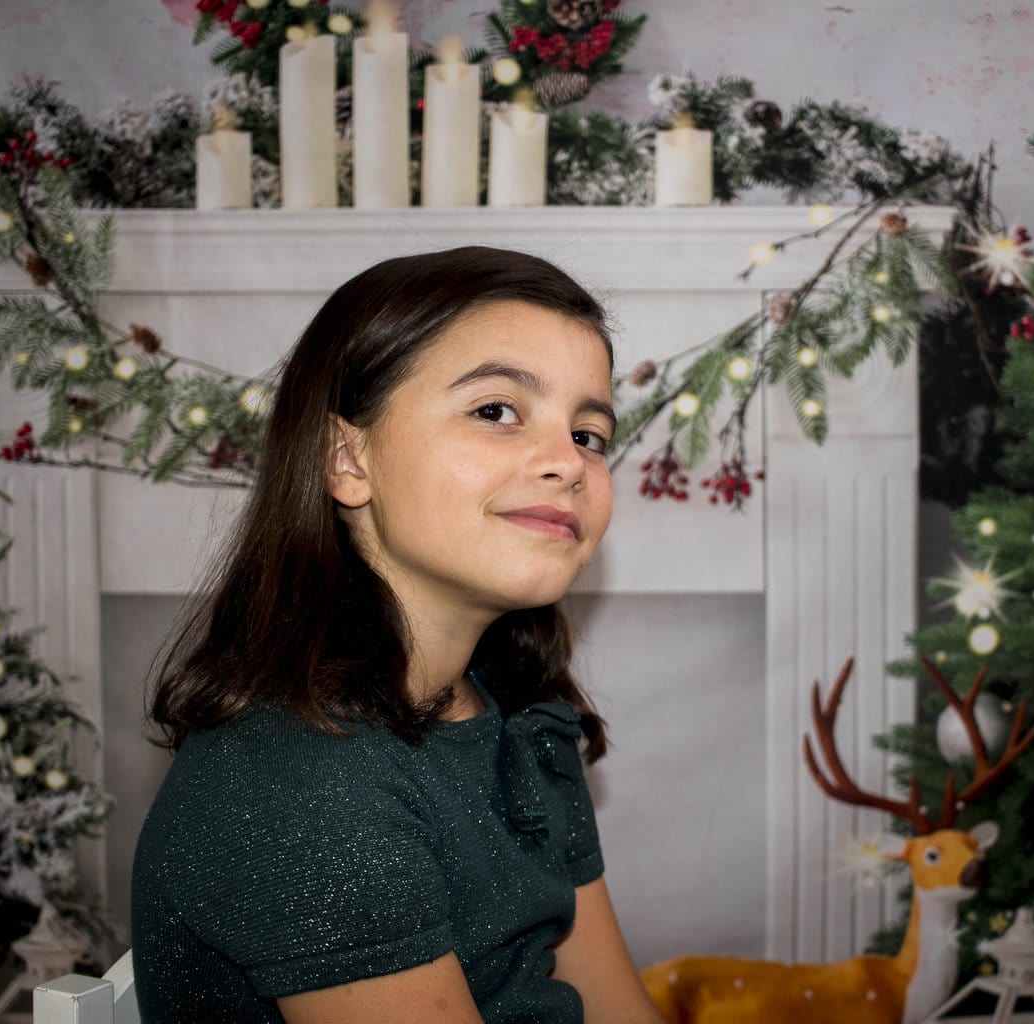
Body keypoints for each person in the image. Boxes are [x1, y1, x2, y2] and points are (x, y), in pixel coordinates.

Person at [131, 246, 663, 1024]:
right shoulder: (299, 782)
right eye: (496, 411)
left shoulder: (518, 718)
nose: (567, 463)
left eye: (590, 434)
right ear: (348, 460)